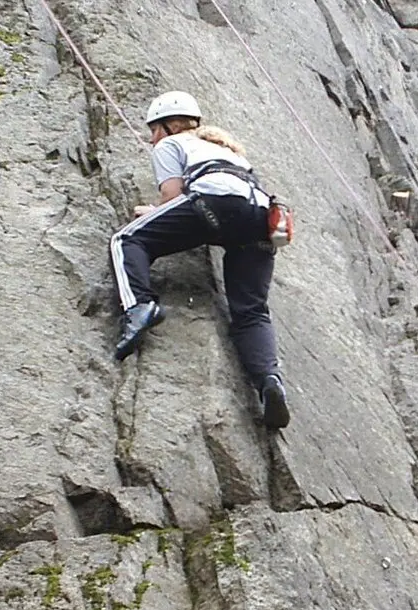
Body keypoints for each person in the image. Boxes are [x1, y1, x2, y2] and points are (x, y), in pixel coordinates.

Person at [108, 90, 291, 430]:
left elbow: (172, 196)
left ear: (171, 125)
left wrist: (154, 213)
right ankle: (269, 381)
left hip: (215, 204)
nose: (152, 139)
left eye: (154, 130)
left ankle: (139, 306)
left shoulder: (170, 144)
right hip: (260, 217)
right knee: (251, 311)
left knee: (127, 240)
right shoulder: (229, 152)